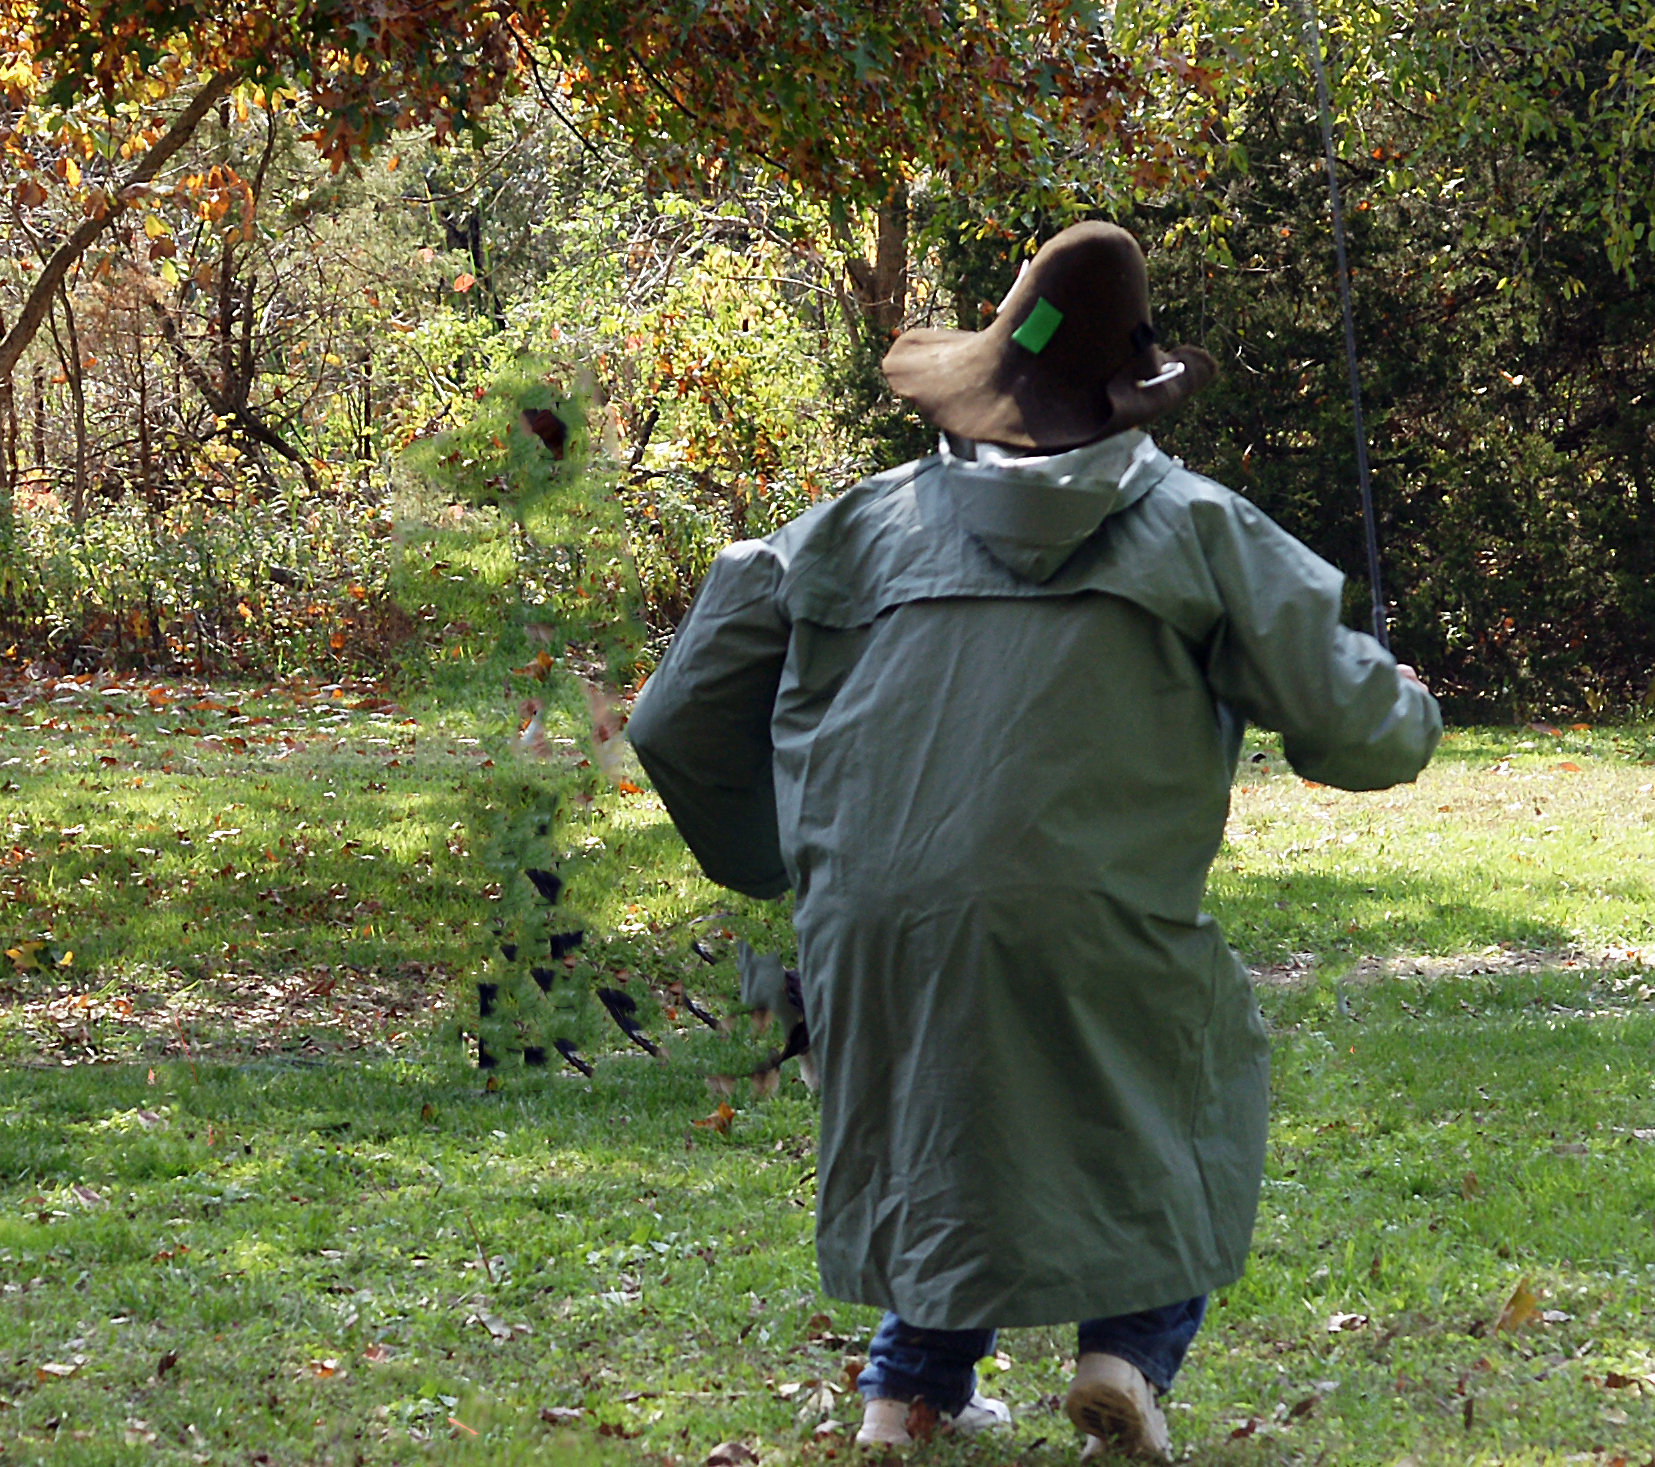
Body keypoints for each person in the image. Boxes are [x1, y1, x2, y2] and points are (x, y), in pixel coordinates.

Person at [626, 221, 1440, 1460]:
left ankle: (906, 1396)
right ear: (1129, 401)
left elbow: (675, 716)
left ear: (983, 390)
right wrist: (1405, 699)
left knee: (937, 1107)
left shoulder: (842, 530)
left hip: (872, 919)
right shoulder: (1197, 525)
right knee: (1173, 1088)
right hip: (1094, 912)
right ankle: (1126, 1356)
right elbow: (1356, 735)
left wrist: (774, 859)